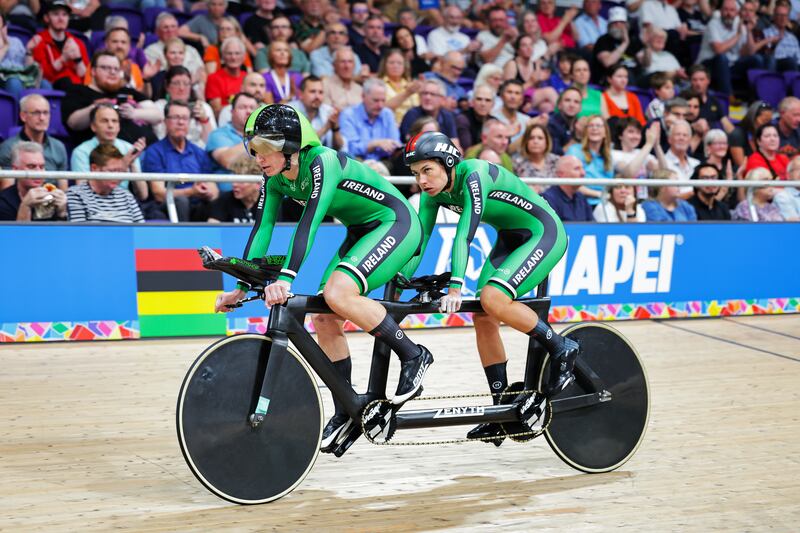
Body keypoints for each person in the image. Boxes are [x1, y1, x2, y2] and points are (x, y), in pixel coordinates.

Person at [215, 104, 434, 451]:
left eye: (265, 148)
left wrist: (286, 278)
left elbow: (310, 224)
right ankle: (346, 407)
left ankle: (413, 354)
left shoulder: (321, 162)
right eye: (254, 150)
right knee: (324, 318)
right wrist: (241, 286)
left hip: (396, 223)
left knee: (339, 293)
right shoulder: (273, 178)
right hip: (361, 230)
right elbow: (263, 228)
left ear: (291, 146)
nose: (259, 157)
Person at [402, 131, 576, 445]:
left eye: (427, 170)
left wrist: (456, 287)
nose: (422, 181)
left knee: (493, 298)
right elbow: (420, 241)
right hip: (511, 238)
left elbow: (463, 237)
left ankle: (562, 347)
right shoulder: (432, 195)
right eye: (416, 174)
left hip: (543, 232)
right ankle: (500, 411)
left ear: (448, 163)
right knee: (484, 315)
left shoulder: (474, 175)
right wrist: (399, 277)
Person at [63, 51, 161, 147]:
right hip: (106, 154)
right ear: (93, 71)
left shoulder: (127, 91)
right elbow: (73, 123)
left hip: (149, 149)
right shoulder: (78, 91)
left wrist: (134, 113)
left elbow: (158, 115)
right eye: (106, 68)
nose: (112, 72)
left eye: (116, 69)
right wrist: (95, 108)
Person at [696, 0, 766, 95]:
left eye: (732, 10)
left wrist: (749, 31)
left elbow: (748, 52)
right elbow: (719, 49)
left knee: (756, 59)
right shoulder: (713, 24)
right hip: (707, 65)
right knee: (722, 58)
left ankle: (754, 97)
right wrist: (738, 35)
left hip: (730, 64)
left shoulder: (739, 24)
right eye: (726, 10)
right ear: (720, 11)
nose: (728, 13)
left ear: (737, 12)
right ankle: (728, 96)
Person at [66, 144, 145, 223]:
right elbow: (79, 232)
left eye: (119, 171)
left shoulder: (126, 196)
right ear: (94, 168)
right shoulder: (76, 194)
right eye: (112, 171)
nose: (116, 176)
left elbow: (142, 231)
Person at [0, 94, 68, 179]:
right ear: (23, 116)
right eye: (36, 113)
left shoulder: (59, 147)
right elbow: (7, 188)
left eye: (46, 113)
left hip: (52, 192)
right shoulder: (8, 148)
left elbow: (63, 188)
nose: (42, 118)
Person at [70, 104, 146, 180]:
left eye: (114, 121)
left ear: (119, 126)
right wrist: (123, 165)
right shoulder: (81, 151)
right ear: (93, 126)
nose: (110, 125)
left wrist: (132, 164)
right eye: (104, 121)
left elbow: (142, 192)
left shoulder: (129, 148)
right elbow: (82, 189)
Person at [28, 0, 89, 89]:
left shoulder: (77, 42)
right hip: (54, 86)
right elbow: (42, 76)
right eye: (56, 14)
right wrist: (63, 59)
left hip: (76, 88)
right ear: (46, 18)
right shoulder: (39, 40)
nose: (61, 18)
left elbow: (86, 78)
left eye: (64, 15)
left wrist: (78, 60)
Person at [0, 142, 67, 221]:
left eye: (42, 167)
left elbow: (61, 232)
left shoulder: (54, 195)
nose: (38, 172)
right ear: (15, 170)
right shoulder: (3, 201)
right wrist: (25, 206)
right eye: (31, 167)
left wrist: (62, 212)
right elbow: (16, 233)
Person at [339, 78, 401, 162]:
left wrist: (387, 146)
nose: (380, 105)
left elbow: (396, 144)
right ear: (363, 96)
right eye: (376, 100)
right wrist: (375, 144)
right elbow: (349, 149)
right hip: (357, 162)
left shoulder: (387, 114)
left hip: (384, 162)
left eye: (383, 100)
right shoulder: (349, 115)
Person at [153, 66, 216, 149]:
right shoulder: (159, 106)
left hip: (199, 154)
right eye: (176, 83)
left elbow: (212, 143)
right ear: (167, 86)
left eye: (186, 84)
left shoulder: (203, 107)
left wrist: (204, 121)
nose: (182, 88)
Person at [206, 92, 259, 174]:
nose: (248, 111)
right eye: (243, 107)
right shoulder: (218, 135)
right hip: (231, 186)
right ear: (232, 111)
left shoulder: (264, 135)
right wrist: (255, 139)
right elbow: (227, 161)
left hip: (259, 185)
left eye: (252, 108)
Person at [566, 115, 614, 204]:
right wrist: (598, 194)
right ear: (586, 131)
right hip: (580, 201)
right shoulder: (575, 150)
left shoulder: (609, 156)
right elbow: (569, 182)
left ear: (605, 133)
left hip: (605, 202)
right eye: (591, 126)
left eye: (598, 126)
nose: (594, 128)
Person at [288, 75, 344, 151]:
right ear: (301, 94)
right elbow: (301, 147)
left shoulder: (328, 111)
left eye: (321, 92)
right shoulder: (290, 112)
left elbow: (340, 147)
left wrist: (335, 128)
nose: (317, 96)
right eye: (312, 91)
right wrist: (325, 128)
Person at [145, 13, 205, 82]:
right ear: (157, 31)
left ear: (178, 29)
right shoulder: (150, 51)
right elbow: (157, 77)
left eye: (173, 26)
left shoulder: (191, 49)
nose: (170, 30)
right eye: (165, 27)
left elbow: (202, 72)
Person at [399, 78, 459, 146]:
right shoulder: (411, 114)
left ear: (442, 99)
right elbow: (409, 142)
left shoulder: (447, 116)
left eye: (432, 94)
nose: (428, 97)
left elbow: (455, 144)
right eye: (425, 93)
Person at [591, 7, 642, 86]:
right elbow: (607, 62)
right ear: (609, 26)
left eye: (622, 23)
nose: (619, 26)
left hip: (636, 77)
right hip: (610, 79)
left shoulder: (633, 40)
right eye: (615, 23)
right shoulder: (603, 40)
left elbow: (645, 63)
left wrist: (647, 45)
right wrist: (625, 43)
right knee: (625, 74)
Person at [208, 155, 262, 223]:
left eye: (241, 181)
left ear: (258, 183)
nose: (234, 184)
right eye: (234, 179)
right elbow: (213, 230)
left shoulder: (272, 201)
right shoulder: (223, 200)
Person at [542, 155, 595, 222]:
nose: (583, 173)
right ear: (560, 174)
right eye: (577, 169)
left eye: (582, 168)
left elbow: (593, 226)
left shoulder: (581, 197)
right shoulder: (547, 199)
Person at [206, 37, 248, 116]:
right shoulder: (214, 78)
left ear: (244, 57)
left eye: (237, 53)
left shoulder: (248, 78)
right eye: (229, 53)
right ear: (222, 57)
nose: (233, 57)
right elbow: (217, 110)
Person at [379, 48, 421, 126]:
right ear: (384, 65)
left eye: (399, 63)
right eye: (391, 63)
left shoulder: (411, 85)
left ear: (404, 66)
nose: (395, 66)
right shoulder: (378, 84)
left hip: (412, 127)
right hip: (388, 125)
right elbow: (381, 108)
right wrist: (407, 93)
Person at [688, 64, 733, 133]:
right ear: (690, 81)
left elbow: (726, 122)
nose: (698, 83)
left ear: (708, 81)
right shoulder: (685, 100)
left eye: (701, 79)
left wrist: (733, 133)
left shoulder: (714, 101)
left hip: (714, 137)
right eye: (694, 80)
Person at [728, 101, 774, 168]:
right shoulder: (737, 135)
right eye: (764, 121)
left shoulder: (764, 136)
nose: (767, 125)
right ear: (752, 118)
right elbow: (741, 166)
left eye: (769, 122)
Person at [456, 84, 499, 151]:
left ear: (493, 104)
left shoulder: (494, 121)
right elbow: (467, 150)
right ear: (472, 102)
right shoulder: (463, 119)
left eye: (487, 100)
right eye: (479, 99)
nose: (483, 104)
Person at [602, 64, 646, 130]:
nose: (623, 80)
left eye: (625, 77)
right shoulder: (603, 97)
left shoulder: (633, 97)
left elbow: (641, 121)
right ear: (609, 79)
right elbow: (607, 123)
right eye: (619, 76)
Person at [762, 0, 800, 72]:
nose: (783, 18)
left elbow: (799, 59)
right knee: (789, 61)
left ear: (788, 18)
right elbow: (766, 56)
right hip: (775, 65)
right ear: (774, 16)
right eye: (780, 15)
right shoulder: (765, 34)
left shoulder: (793, 38)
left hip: (791, 68)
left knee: (792, 62)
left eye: (785, 15)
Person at [262, 41, 303, 105]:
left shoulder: (297, 77)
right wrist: (290, 96)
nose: (282, 53)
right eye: (278, 50)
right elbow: (269, 107)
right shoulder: (265, 78)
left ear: (289, 55)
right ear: (271, 55)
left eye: (286, 50)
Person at [322, 47, 363, 111]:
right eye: (342, 62)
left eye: (350, 62)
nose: (347, 66)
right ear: (334, 65)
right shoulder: (325, 86)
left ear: (354, 65)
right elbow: (326, 113)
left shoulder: (360, 90)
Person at [548, 87, 582, 155]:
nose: (572, 105)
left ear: (580, 108)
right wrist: (577, 137)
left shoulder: (581, 124)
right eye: (567, 100)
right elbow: (556, 155)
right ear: (559, 105)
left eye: (576, 102)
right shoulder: (551, 124)